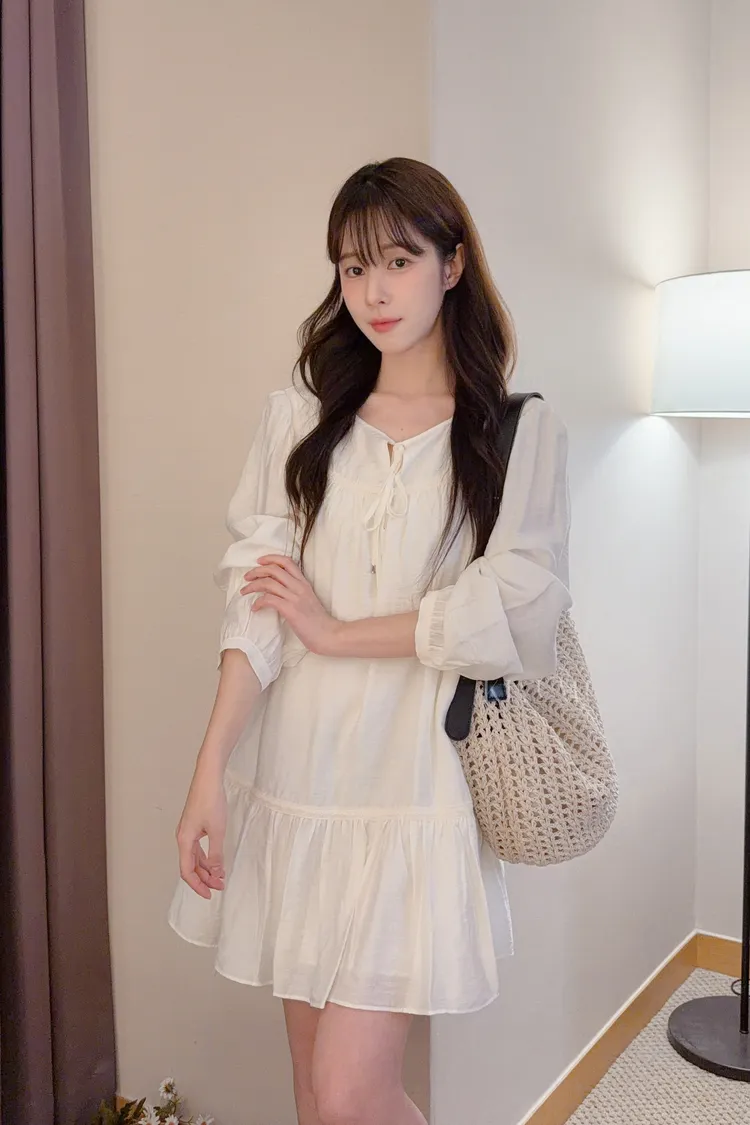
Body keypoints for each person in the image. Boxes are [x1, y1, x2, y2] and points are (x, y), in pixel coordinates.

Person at [169, 156, 572, 1125]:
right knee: (317, 1095)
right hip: (299, 781)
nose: (374, 292)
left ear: (451, 264)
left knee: (354, 1095)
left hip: (412, 791)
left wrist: (339, 632)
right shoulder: (301, 422)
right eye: (354, 269)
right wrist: (209, 769)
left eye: (398, 260)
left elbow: (516, 607)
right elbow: (257, 611)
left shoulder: (513, 433)